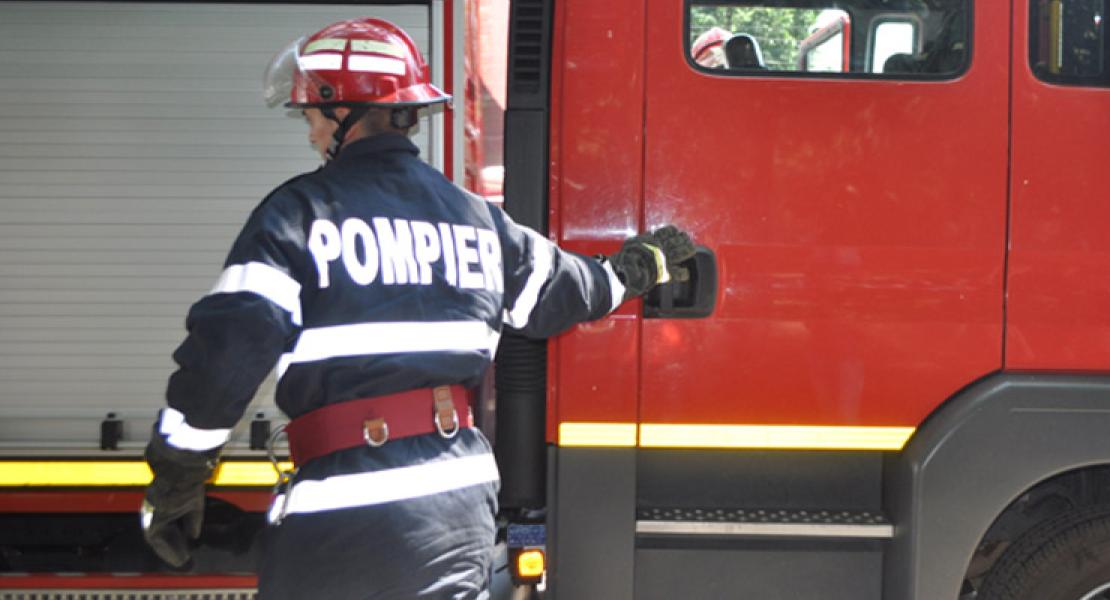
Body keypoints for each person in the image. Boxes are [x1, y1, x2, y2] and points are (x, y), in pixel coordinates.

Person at [137, 17, 696, 600]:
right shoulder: (478, 220)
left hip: (347, 514)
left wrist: (178, 474)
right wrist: (642, 264)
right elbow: (570, 292)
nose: (310, 134)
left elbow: (227, 354)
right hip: (456, 506)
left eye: (311, 117)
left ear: (342, 111)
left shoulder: (299, 215)